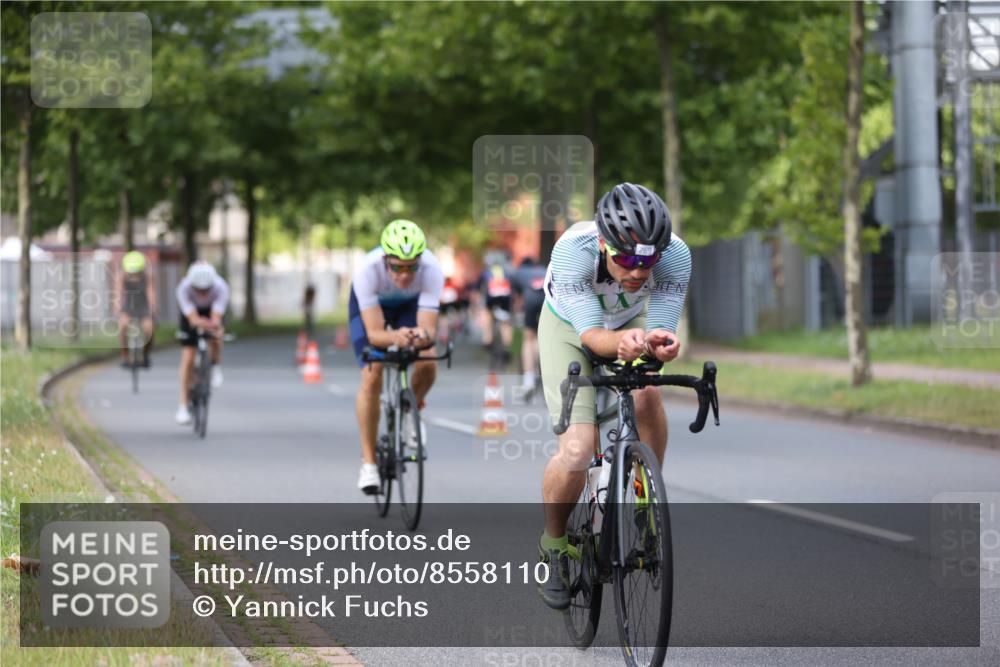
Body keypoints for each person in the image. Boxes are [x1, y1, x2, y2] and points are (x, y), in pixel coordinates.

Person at [536, 183, 691, 610]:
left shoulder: (676, 254)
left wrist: (659, 344)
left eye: (648, 260)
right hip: (569, 327)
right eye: (625, 259)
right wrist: (622, 343)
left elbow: (659, 328)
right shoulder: (574, 250)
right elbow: (593, 337)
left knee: (646, 395)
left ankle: (644, 494)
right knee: (578, 447)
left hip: (629, 319)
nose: (639, 271)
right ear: (604, 243)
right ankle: (554, 543)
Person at [349, 219, 444, 494]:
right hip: (372, 308)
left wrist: (417, 336)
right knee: (372, 373)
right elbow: (376, 334)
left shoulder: (432, 270)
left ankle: (408, 409)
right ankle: (368, 464)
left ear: (420, 262)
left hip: (408, 306)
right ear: (384, 260)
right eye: (397, 267)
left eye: (411, 266)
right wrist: (396, 337)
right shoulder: (367, 270)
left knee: (428, 360)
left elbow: (428, 330)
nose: (404, 275)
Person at [175, 261, 229, 425]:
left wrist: (215, 327)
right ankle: (183, 406)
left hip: (211, 311)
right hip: (191, 314)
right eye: (198, 290)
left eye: (206, 290)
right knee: (188, 356)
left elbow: (216, 317)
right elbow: (191, 318)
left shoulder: (221, 287)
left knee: (216, 336)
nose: (203, 294)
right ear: (192, 285)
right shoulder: (183, 288)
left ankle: (215, 364)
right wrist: (199, 322)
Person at [512, 256, 546, 395]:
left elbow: (518, 299)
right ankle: (543, 372)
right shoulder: (543, 270)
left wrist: (518, 312)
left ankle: (529, 380)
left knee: (528, 338)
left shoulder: (518, 273)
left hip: (531, 299)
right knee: (541, 338)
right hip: (547, 298)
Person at [117, 251, 156, 368]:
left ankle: (145, 355)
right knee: (123, 327)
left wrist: (152, 308)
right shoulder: (122, 276)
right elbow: (119, 293)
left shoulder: (147, 276)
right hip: (128, 307)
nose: (134, 276)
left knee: (150, 329)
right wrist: (118, 307)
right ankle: (125, 356)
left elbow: (151, 293)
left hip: (143, 307)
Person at [477, 250, 514, 367]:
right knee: (505, 323)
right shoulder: (507, 272)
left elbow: (479, 290)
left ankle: (487, 339)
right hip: (505, 298)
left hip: (491, 298)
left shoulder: (486, 272)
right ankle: (507, 348)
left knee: (486, 312)